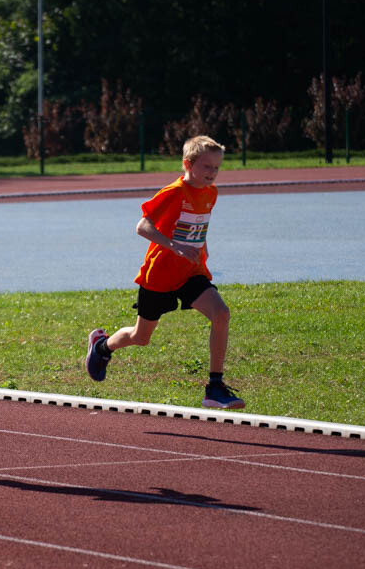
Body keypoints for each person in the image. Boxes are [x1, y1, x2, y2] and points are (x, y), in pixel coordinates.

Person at [85, 135, 245, 409]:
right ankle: (102, 346)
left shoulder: (211, 193)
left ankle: (215, 387)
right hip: (160, 275)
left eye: (217, 167)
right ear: (188, 164)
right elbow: (143, 226)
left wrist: (200, 248)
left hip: (192, 272)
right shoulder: (174, 192)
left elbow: (197, 226)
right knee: (141, 337)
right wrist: (175, 246)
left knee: (221, 313)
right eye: (207, 167)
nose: (213, 173)